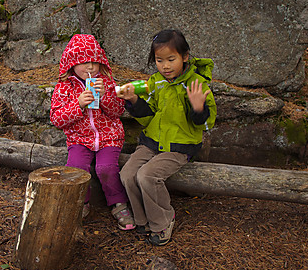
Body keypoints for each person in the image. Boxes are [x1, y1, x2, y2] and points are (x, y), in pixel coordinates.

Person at [118, 29, 217, 245]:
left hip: (180, 146)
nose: (165, 66)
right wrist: (135, 101)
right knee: (127, 173)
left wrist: (198, 108)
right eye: (159, 60)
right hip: (152, 142)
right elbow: (149, 115)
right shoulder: (156, 82)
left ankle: (163, 221)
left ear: (185, 56)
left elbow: (207, 124)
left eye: (171, 59)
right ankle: (142, 219)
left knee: (147, 175)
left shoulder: (196, 84)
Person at [50, 34, 135, 231]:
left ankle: (118, 204)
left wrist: (106, 96)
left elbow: (117, 111)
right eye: (83, 62)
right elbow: (57, 118)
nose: (90, 67)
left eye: (94, 62)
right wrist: (78, 104)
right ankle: (81, 203)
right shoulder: (64, 87)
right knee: (77, 169)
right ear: (72, 62)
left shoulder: (106, 82)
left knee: (105, 169)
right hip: (79, 139)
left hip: (108, 137)